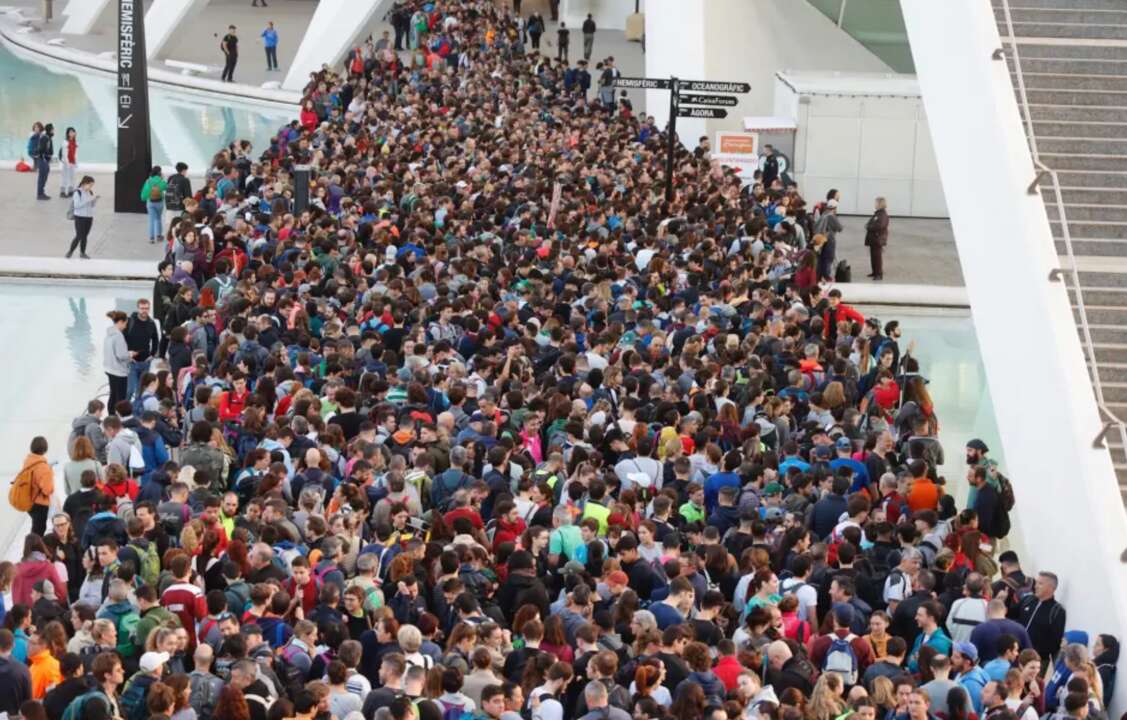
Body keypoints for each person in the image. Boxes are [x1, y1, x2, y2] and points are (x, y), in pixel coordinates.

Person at [103, 311, 132, 411]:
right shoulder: (119, 336)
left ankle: (111, 417)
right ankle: (119, 420)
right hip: (119, 372)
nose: (125, 326)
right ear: (120, 322)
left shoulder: (108, 334)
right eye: (125, 323)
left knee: (113, 395)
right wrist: (130, 354)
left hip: (109, 369)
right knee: (120, 399)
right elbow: (121, 355)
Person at [66, 175, 98, 259]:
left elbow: (91, 205)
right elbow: (77, 205)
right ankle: (70, 251)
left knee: (85, 236)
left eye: (92, 185)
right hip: (80, 217)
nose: (91, 187)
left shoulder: (90, 192)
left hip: (89, 217)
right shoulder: (77, 192)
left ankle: (82, 253)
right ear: (84, 183)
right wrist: (89, 200)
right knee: (79, 235)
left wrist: (94, 201)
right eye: (90, 185)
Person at [140, 167, 167, 245]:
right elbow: (166, 187)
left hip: (150, 203)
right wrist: (162, 179)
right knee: (158, 219)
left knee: (151, 220)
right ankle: (159, 236)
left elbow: (144, 192)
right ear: (159, 173)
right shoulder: (161, 181)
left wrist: (144, 198)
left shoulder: (148, 181)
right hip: (160, 202)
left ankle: (151, 238)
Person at [865, 197, 889, 280]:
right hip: (874, 239)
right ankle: (874, 272)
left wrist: (869, 227)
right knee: (873, 256)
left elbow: (880, 226)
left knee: (877, 257)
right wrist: (868, 225)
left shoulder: (882, 214)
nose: (874, 204)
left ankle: (879, 274)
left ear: (880, 204)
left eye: (876, 203)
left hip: (877, 239)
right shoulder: (878, 213)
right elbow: (872, 222)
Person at [33, 122, 54, 200]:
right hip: (43, 160)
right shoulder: (45, 137)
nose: (54, 130)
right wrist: (45, 156)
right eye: (52, 129)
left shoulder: (47, 137)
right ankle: (40, 194)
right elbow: (41, 149)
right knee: (42, 177)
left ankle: (42, 193)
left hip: (44, 160)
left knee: (44, 177)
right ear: (49, 130)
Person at [59, 127, 78, 198]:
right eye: (70, 132)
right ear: (67, 134)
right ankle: (62, 192)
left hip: (72, 162)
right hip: (66, 163)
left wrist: (76, 162)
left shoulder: (74, 142)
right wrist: (67, 163)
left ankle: (71, 191)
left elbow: (75, 153)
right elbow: (64, 154)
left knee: (72, 177)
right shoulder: (65, 142)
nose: (72, 133)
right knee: (65, 177)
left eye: (73, 132)